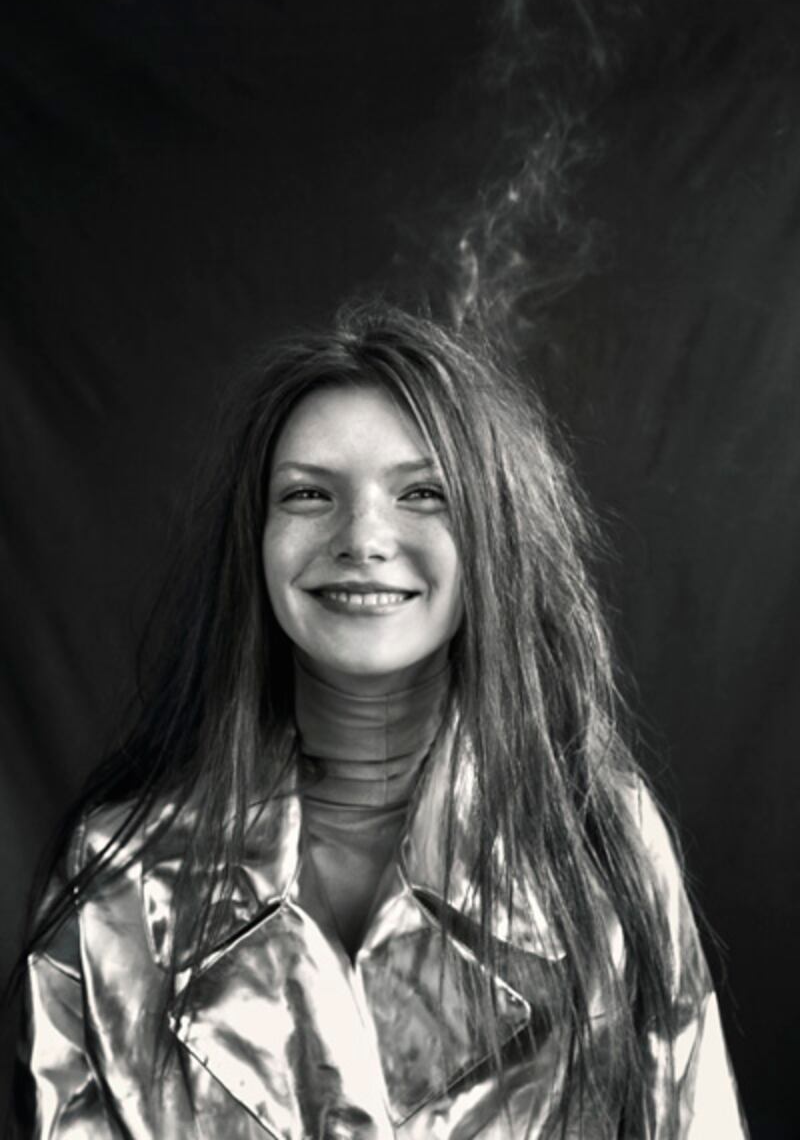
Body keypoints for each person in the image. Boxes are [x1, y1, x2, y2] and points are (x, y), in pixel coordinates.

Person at [9, 302, 747, 1138]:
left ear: (496, 535)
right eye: (308, 493)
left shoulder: (598, 843)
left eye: (423, 493)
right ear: (254, 540)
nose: (362, 537)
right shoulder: (118, 871)